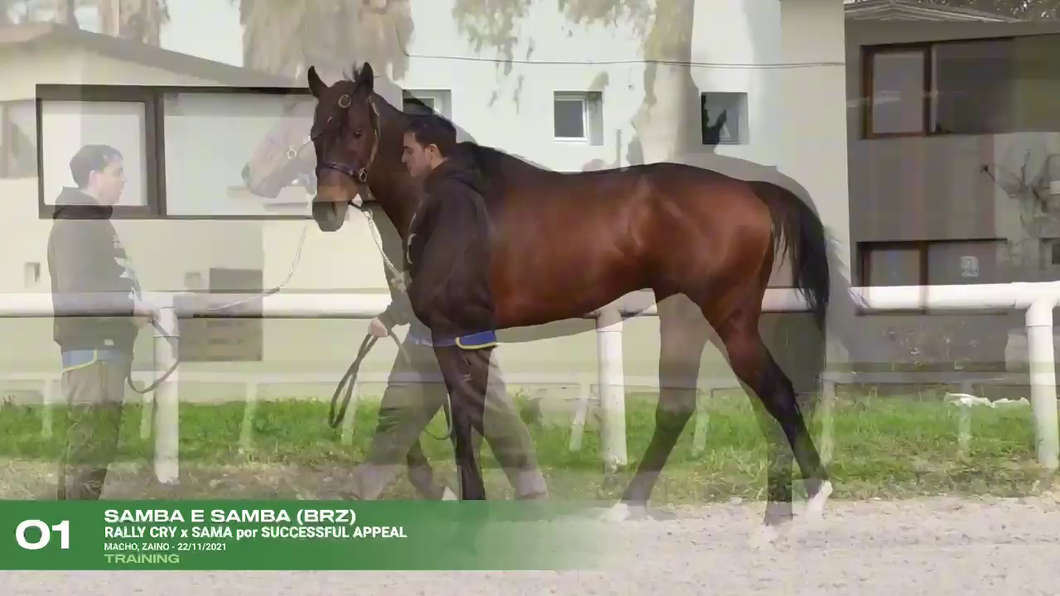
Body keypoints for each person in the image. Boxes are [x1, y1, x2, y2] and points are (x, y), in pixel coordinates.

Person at [399, 114, 548, 501]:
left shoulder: (454, 197)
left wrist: (408, 303)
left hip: (461, 328)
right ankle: (470, 501)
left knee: (489, 413)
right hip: (446, 325)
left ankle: (532, 495)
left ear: (432, 152)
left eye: (409, 151)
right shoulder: (442, 192)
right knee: (454, 421)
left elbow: (443, 263)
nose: (403, 158)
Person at [47, 144, 156, 500]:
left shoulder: (92, 220)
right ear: (94, 176)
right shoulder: (77, 222)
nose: (124, 181)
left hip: (106, 349)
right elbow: (77, 290)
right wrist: (129, 309)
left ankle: (72, 523)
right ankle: (75, 527)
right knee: (91, 442)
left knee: (95, 442)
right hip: (93, 350)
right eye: (117, 172)